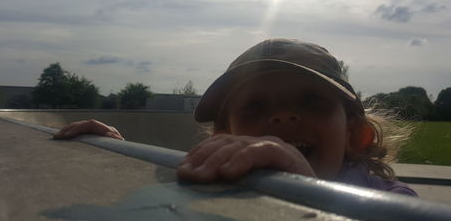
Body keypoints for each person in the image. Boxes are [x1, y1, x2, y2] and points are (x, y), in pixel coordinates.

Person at [54, 38, 417, 196]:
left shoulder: (392, 202)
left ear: (357, 136)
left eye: (311, 101)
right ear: (223, 138)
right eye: (255, 106)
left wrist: (305, 194)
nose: (284, 116)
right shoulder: (223, 186)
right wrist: (116, 162)